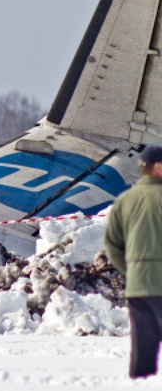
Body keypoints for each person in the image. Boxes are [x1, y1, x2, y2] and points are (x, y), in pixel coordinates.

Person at [105, 145, 162, 378]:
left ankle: (140, 383)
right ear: (158, 167)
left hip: (137, 286)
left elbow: (112, 245)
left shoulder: (124, 200)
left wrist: (133, 270)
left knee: (143, 348)